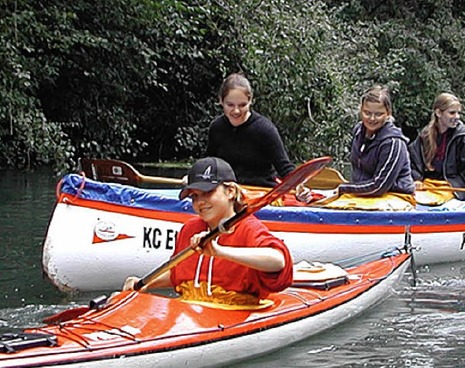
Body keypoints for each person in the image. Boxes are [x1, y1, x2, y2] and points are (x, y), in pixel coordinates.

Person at [123, 157, 293, 306]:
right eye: (194, 197)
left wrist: (220, 252)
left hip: (235, 310)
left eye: (207, 192)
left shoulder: (248, 228)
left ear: (230, 191)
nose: (200, 202)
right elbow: (178, 273)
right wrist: (146, 283)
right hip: (191, 308)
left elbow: (278, 261)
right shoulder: (190, 229)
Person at [206, 73, 295, 188]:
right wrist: (195, 177)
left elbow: (285, 167)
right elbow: (208, 163)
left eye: (242, 105)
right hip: (227, 192)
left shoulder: (265, 129)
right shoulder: (216, 128)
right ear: (221, 101)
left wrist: (298, 186)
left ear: (250, 101)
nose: (236, 111)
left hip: (261, 192)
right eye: (230, 105)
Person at [330, 85, 415, 198]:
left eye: (378, 114)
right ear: (361, 111)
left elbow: (380, 186)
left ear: (388, 113)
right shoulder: (358, 131)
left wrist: (344, 188)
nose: (372, 119)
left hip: (394, 197)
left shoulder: (393, 142)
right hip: (361, 194)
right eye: (367, 113)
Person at [408, 92, 465, 200]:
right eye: (452, 113)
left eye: (458, 113)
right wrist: (416, 179)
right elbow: (413, 162)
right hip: (428, 186)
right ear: (438, 113)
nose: (457, 117)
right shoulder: (424, 135)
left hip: (453, 187)